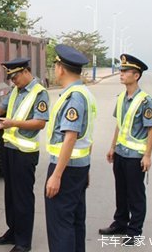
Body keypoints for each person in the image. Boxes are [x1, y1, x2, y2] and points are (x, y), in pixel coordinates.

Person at [0, 57, 50, 252]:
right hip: (9, 148)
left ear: (26, 72)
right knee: (10, 195)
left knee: (23, 197)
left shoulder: (40, 93)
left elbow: (40, 123)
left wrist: (13, 123)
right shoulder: (15, 91)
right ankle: (12, 231)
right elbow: (2, 108)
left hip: (25, 153)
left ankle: (23, 241)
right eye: (11, 78)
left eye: (15, 77)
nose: (13, 81)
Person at [99, 54, 152, 246]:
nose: (121, 74)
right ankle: (120, 223)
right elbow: (119, 124)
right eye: (121, 71)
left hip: (135, 156)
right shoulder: (122, 97)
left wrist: (147, 155)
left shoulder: (145, 100)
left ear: (136, 75)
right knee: (121, 191)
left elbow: (151, 128)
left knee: (136, 195)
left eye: (125, 71)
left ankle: (134, 231)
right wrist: (112, 146)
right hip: (120, 153)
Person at [44, 45, 97, 252]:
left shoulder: (73, 97)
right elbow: (88, 136)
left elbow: (71, 137)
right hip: (78, 167)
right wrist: (87, 168)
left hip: (65, 168)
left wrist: (56, 175)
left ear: (61, 69)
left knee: (60, 225)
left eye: (55, 65)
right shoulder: (85, 93)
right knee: (75, 221)